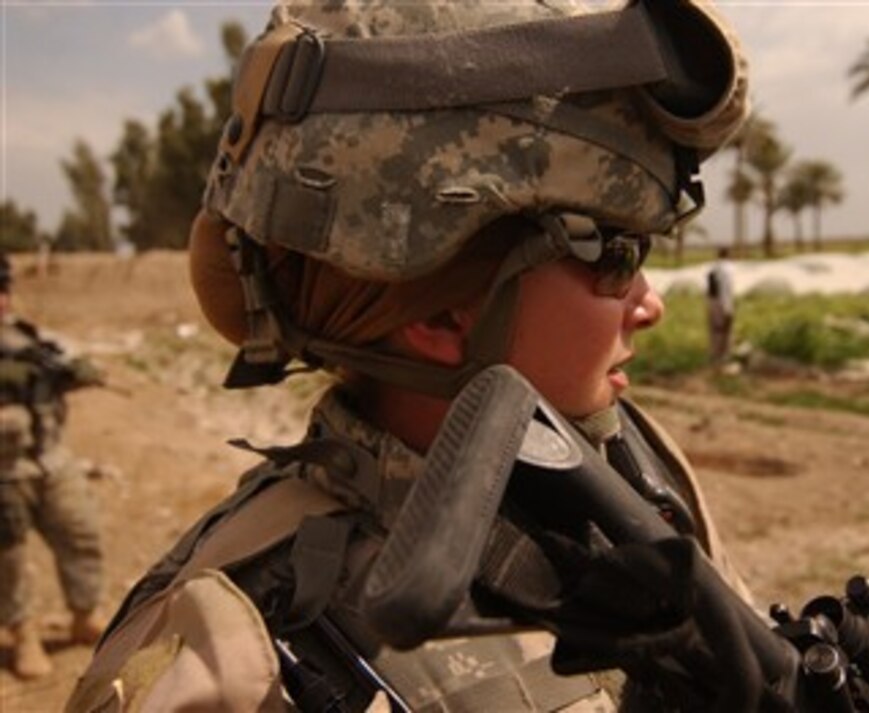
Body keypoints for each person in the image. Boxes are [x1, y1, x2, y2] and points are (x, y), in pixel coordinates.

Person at [68, 1, 758, 710]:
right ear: (443, 311)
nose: (649, 304)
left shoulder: (629, 466)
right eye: (617, 257)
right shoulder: (239, 659)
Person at [0, 253, 107, 679]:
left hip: (51, 461)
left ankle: (83, 615)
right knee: (9, 560)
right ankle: (22, 634)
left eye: (3, 291)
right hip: (5, 474)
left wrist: (73, 372)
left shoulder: (30, 339)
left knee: (81, 533)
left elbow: (75, 366)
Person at [706, 246, 736, 367]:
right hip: (722, 303)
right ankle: (724, 359)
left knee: (715, 332)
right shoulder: (727, 269)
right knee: (724, 331)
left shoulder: (714, 267)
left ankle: (715, 357)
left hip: (712, 302)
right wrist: (727, 308)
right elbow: (726, 289)